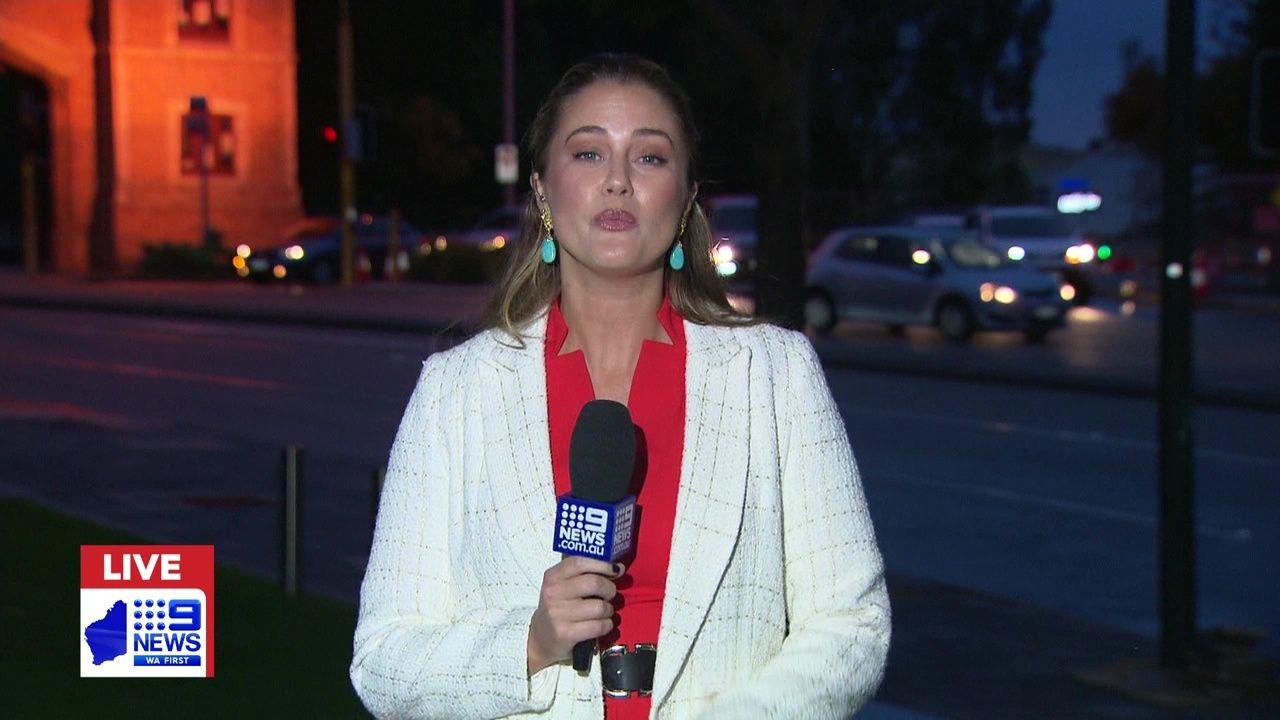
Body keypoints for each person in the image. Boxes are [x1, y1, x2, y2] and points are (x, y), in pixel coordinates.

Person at [350, 53, 890, 719]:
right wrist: (529, 644)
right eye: (588, 153)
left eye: (650, 157)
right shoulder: (454, 393)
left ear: (686, 197)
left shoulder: (775, 376)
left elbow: (851, 626)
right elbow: (383, 663)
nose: (617, 181)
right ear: (542, 190)